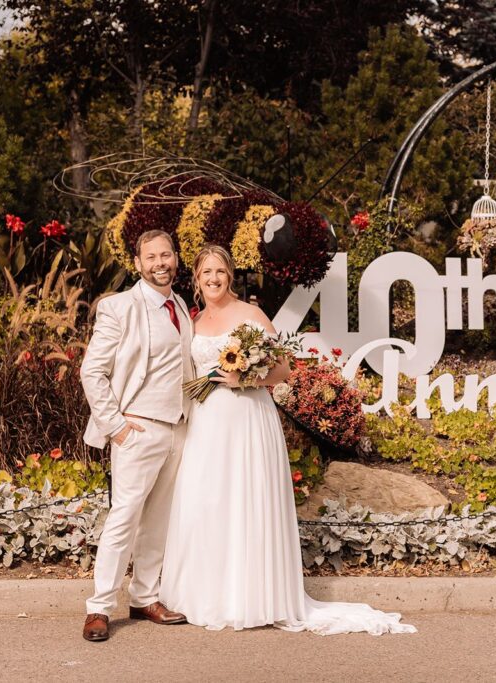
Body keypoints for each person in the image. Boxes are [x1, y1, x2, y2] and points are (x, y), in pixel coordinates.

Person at [159, 244, 415, 635]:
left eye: (220, 272)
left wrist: (243, 378)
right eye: (206, 272)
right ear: (196, 277)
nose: (213, 279)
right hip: (206, 423)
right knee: (205, 502)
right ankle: (206, 595)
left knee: (246, 501)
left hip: (246, 418)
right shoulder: (193, 321)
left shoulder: (251, 315)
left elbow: (282, 371)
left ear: (230, 276)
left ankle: (249, 598)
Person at [79, 230, 196, 642]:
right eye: (151, 257)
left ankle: (145, 596)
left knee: (158, 520)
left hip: (178, 428)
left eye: (166, 255)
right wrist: (117, 427)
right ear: (138, 263)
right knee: (124, 517)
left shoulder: (181, 305)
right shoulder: (119, 307)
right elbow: (92, 372)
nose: (160, 263)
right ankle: (99, 607)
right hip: (137, 429)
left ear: (176, 259)